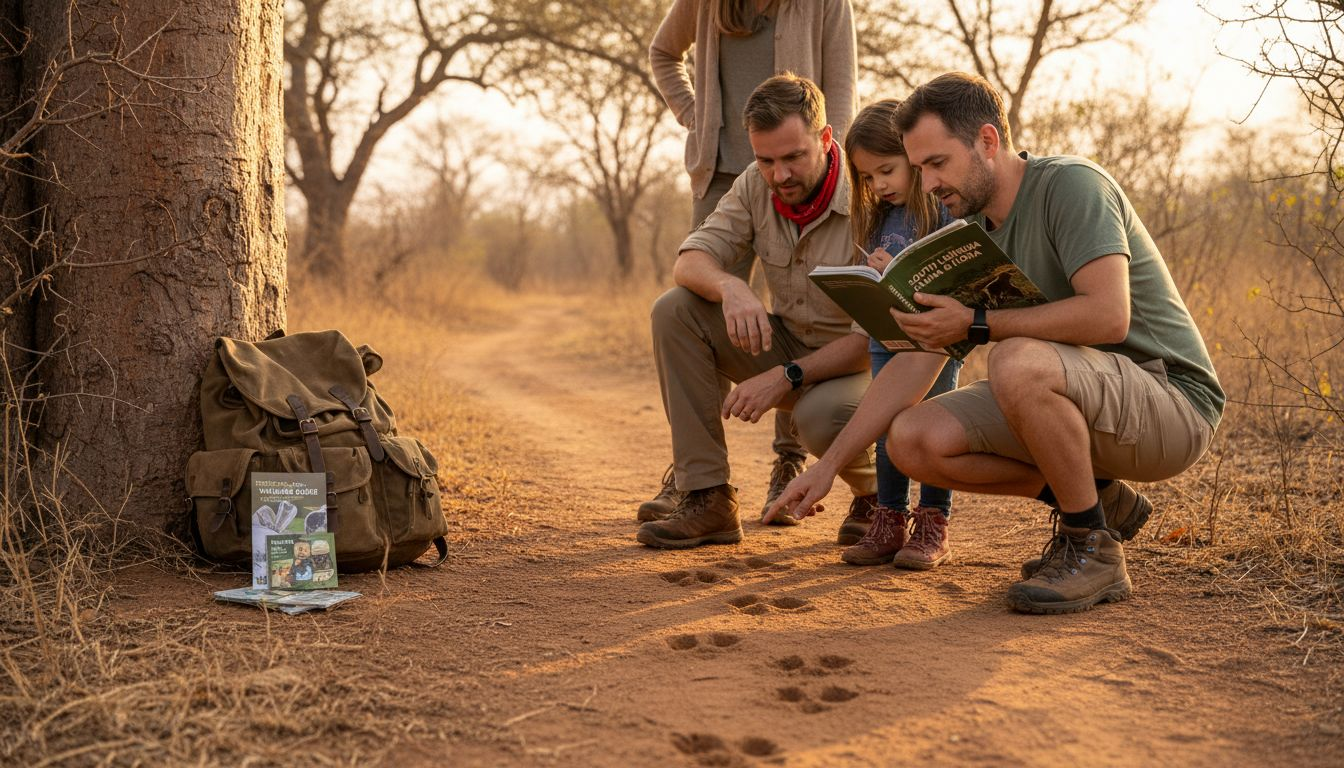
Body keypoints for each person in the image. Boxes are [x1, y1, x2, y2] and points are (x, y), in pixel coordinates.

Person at [767, 72, 1224, 614]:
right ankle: (1097, 501)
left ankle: (1091, 548)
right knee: (911, 438)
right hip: (1082, 397)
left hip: (1167, 400)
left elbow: (1108, 316)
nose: (928, 182)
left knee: (1015, 359)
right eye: (918, 169)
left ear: (987, 141)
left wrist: (977, 323)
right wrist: (827, 468)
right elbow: (918, 362)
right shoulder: (967, 232)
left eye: (938, 163)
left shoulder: (1072, 185)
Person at [637, 73, 877, 550]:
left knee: (819, 415)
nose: (780, 175)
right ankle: (708, 497)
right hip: (788, 347)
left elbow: (873, 341)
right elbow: (690, 260)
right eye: (766, 160)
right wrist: (730, 287)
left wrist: (785, 375)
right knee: (675, 310)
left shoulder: (870, 191)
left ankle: (880, 499)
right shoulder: (755, 183)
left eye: (794, 157)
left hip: (860, 364)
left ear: (827, 139)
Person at [839, 99, 961, 570]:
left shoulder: (944, 214)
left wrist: (899, 275)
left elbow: (953, 284)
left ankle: (934, 520)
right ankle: (889, 518)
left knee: (930, 423)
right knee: (886, 422)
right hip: (884, 335)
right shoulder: (880, 219)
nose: (879, 185)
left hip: (934, 341)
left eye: (887, 170)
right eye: (868, 178)